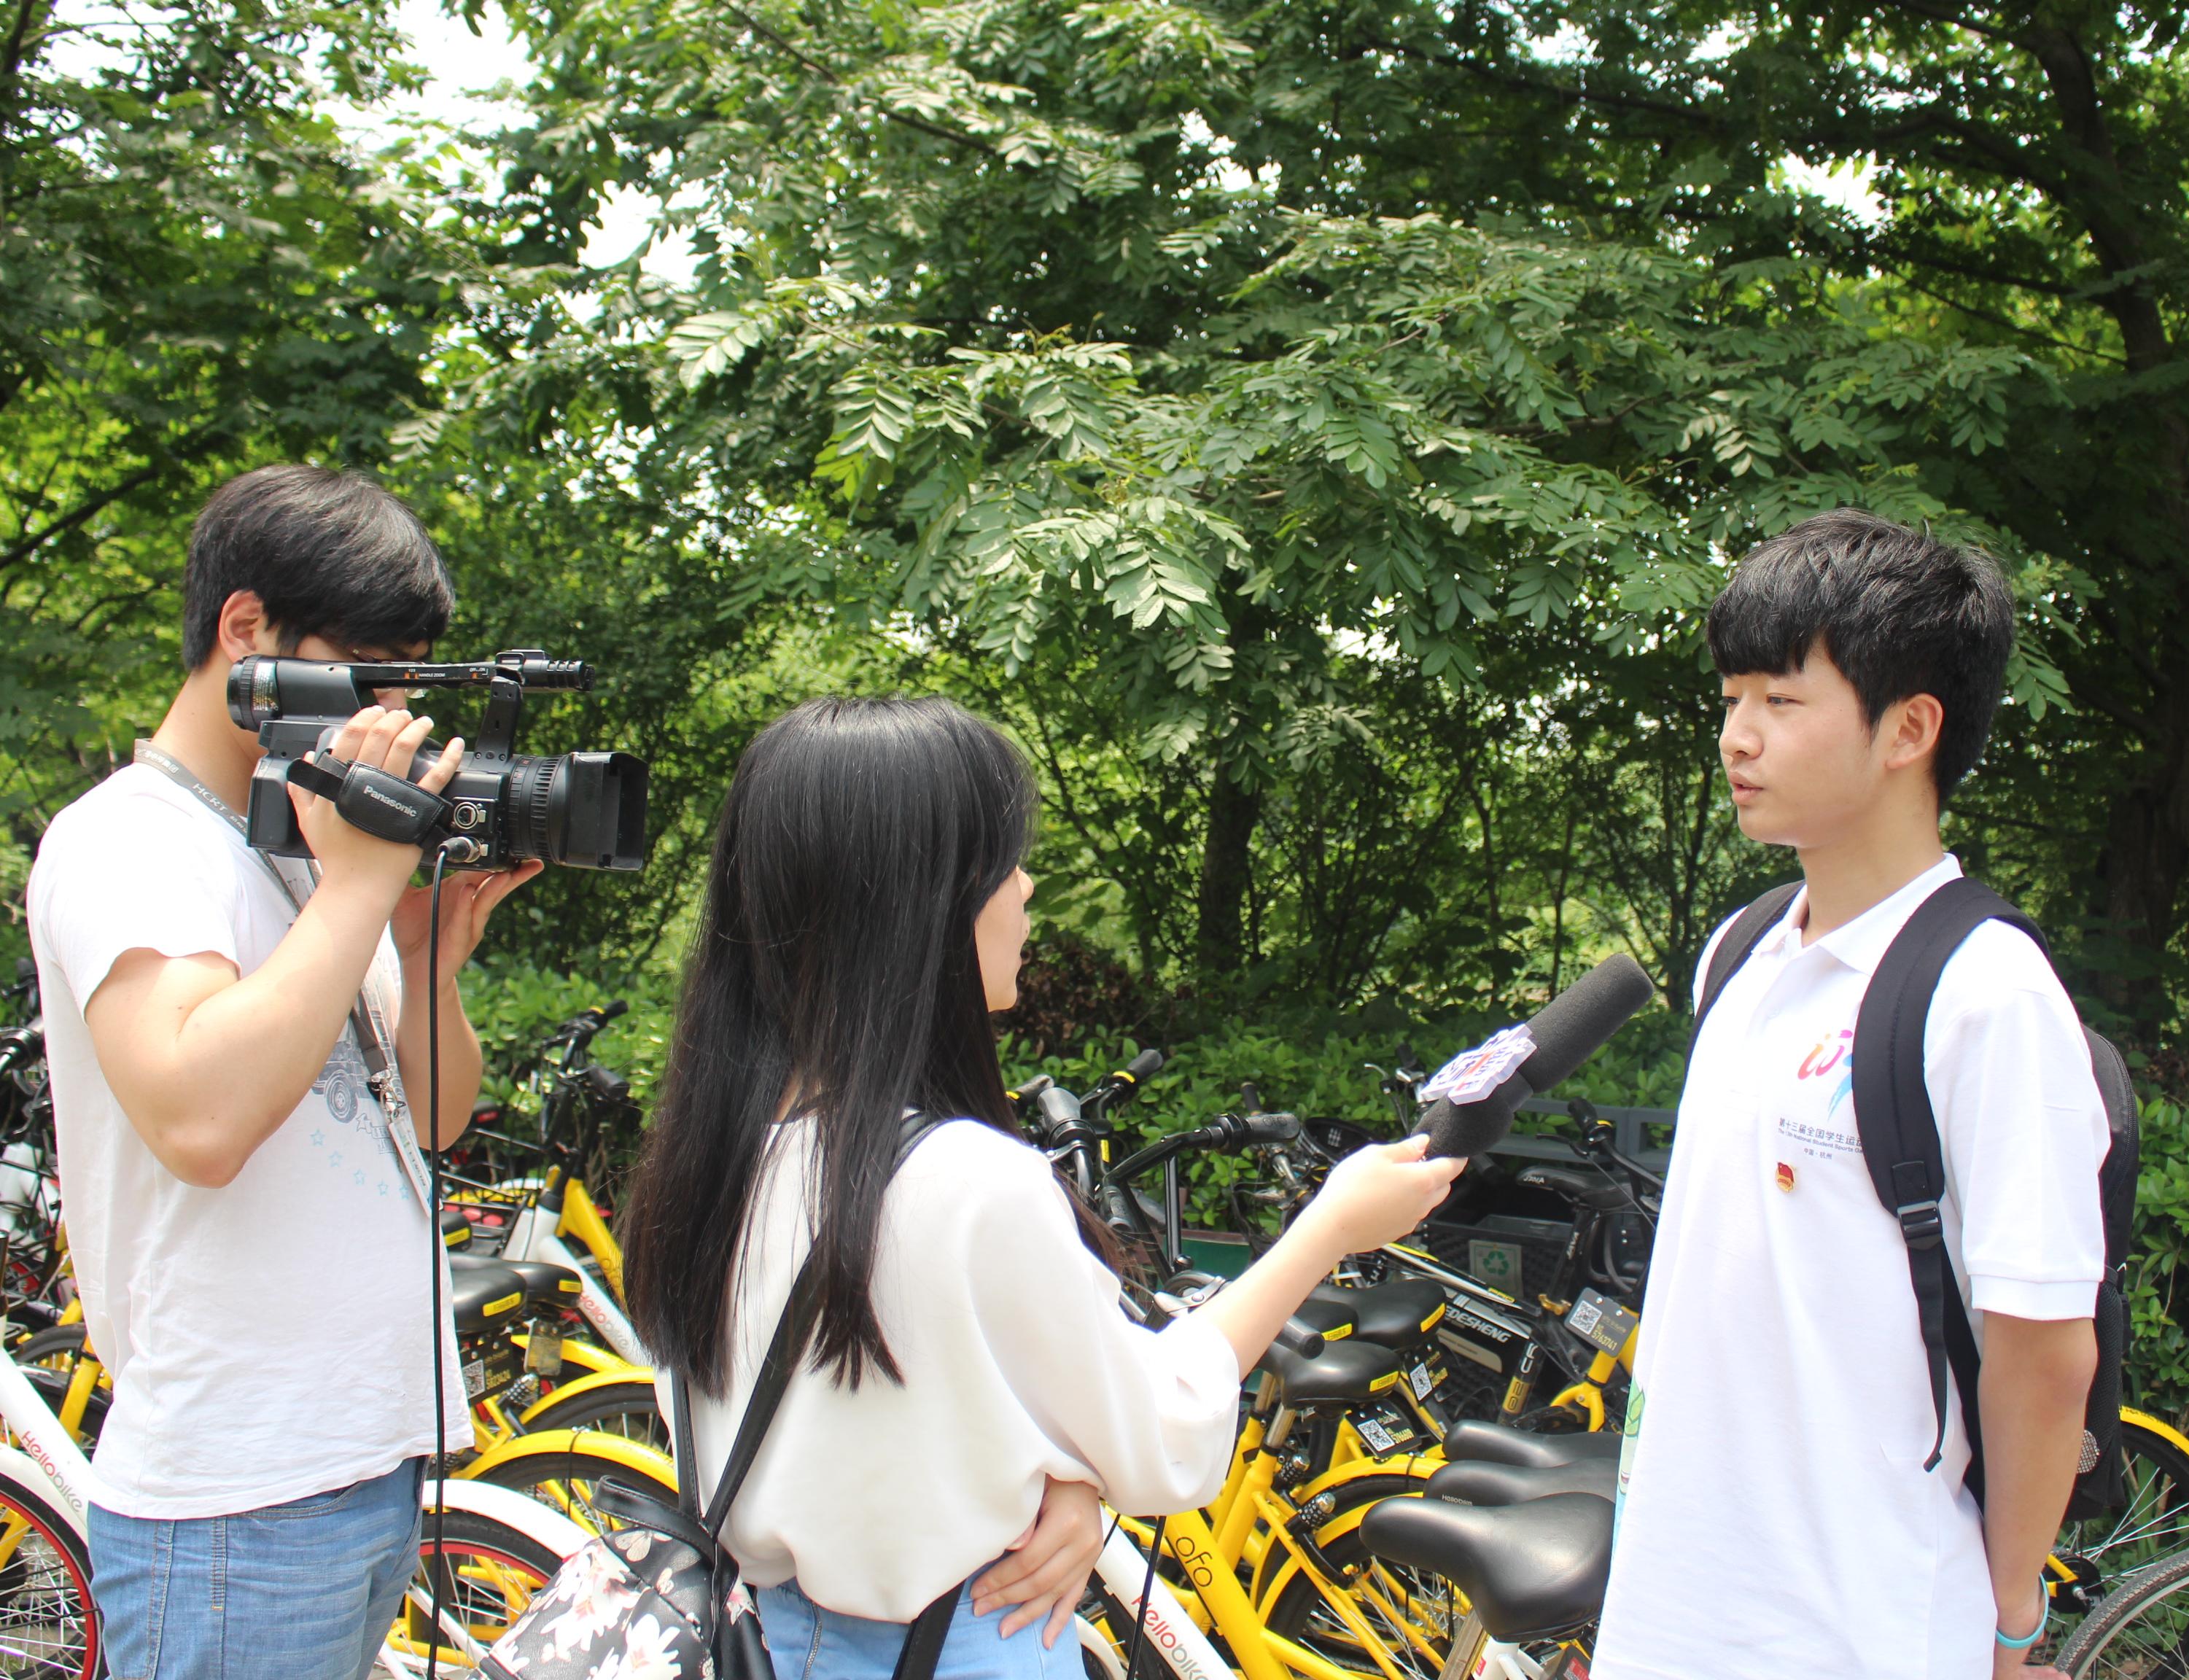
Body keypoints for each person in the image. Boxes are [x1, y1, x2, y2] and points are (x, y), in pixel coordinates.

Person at [621, 694, 1461, 1680]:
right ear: (920, 905)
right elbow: (1155, 1429)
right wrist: (1329, 1228)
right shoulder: (967, 1183)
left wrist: (1056, 1478)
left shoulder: (715, 1164)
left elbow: (848, 1431)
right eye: (1003, 862)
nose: (1025, 887)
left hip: (772, 1640)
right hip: (963, 1646)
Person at [26, 465, 540, 1679]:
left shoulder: (306, 840)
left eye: (409, 676)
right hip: (236, 1499)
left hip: (362, 1466)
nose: (393, 711)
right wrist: (360, 886)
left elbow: (436, 1122)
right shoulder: (127, 841)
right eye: (370, 668)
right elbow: (201, 1122)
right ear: (246, 629)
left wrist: (426, 961)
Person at [1593, 509, 2104, 1680]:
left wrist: (2010, 1621)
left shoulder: (1987, 993)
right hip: (1670, 1613)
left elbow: (2043, 1353)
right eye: (1732, 698)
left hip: (1865, 1629)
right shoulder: (1741, 952)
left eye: (1781, 700)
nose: (1738, 736)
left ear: (1909, 729)